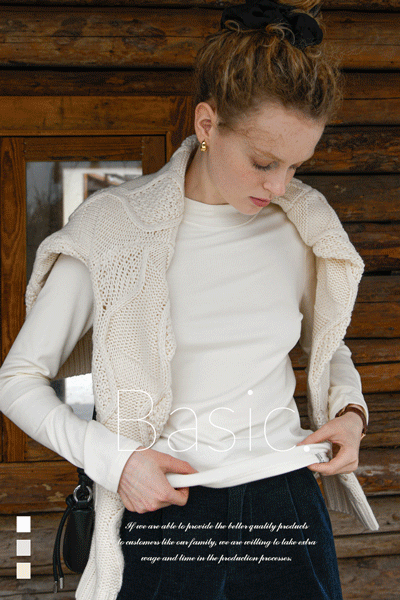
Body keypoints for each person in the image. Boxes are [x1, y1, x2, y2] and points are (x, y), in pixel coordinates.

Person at [0, 1, 379, 599]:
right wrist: (117, 462)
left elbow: (327, 344)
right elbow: (17, 380)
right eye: (263, 162)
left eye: (295, 166)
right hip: (168, 509)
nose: (280, 185)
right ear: (207, 124)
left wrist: (352, 414)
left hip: (286, 503)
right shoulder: (112, 230)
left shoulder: (303, 225)